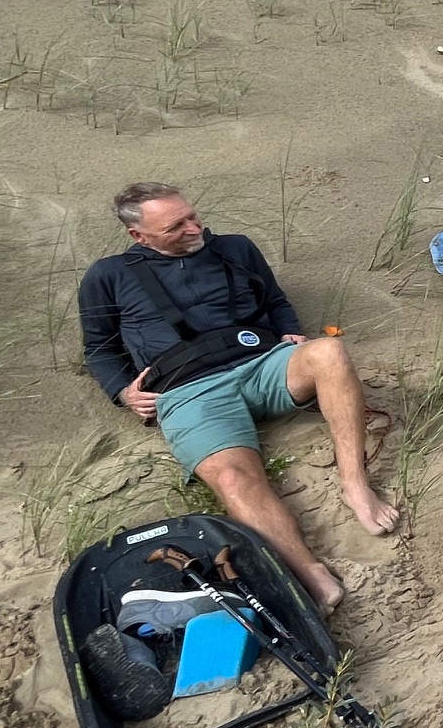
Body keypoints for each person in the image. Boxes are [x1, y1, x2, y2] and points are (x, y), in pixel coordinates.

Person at [78, 183, 396, 612]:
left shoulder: (235, 248)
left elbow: (275, 299)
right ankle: (309, 572)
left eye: (193, 216)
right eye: (177, 226)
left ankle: (356, 486)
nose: (195, 228)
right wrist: (122, 391)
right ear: (140, 236)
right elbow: (98, 347)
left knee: (329, 351)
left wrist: (289, 328)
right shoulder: (108, 275)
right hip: (188, 388)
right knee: (233, 478)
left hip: (261, 362)